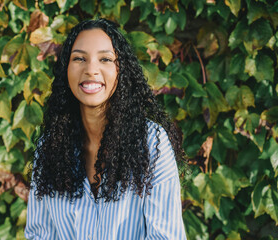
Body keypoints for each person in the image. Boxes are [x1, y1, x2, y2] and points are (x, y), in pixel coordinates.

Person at [25, 18, 187, 239]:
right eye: (79, 58)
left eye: (106, 59)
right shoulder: (49, 148)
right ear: (66, 70)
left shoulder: (151, 143)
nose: (91, 69)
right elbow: (40, 235)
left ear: (122, 70)